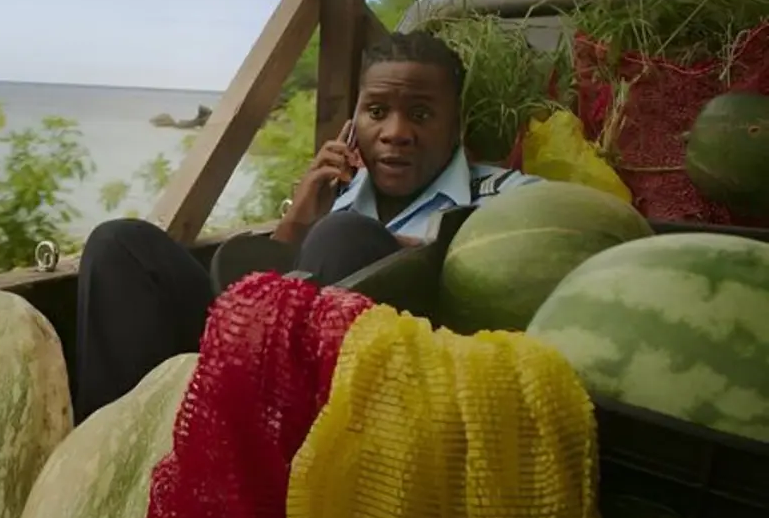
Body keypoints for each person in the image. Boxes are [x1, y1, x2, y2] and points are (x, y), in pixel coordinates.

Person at [72, 31, 542, 421]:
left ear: (455, 125)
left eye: (420, 115)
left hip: (368, 410)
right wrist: (297, 222)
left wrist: (403, 249)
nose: (396, 132)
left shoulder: (508, 197)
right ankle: (113, 461)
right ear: (354, 123)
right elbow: (263, 294)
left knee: (343, 235)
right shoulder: (337, 193)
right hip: (256, 370)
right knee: (122, 244)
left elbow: (564, 248)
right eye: (377, 112)